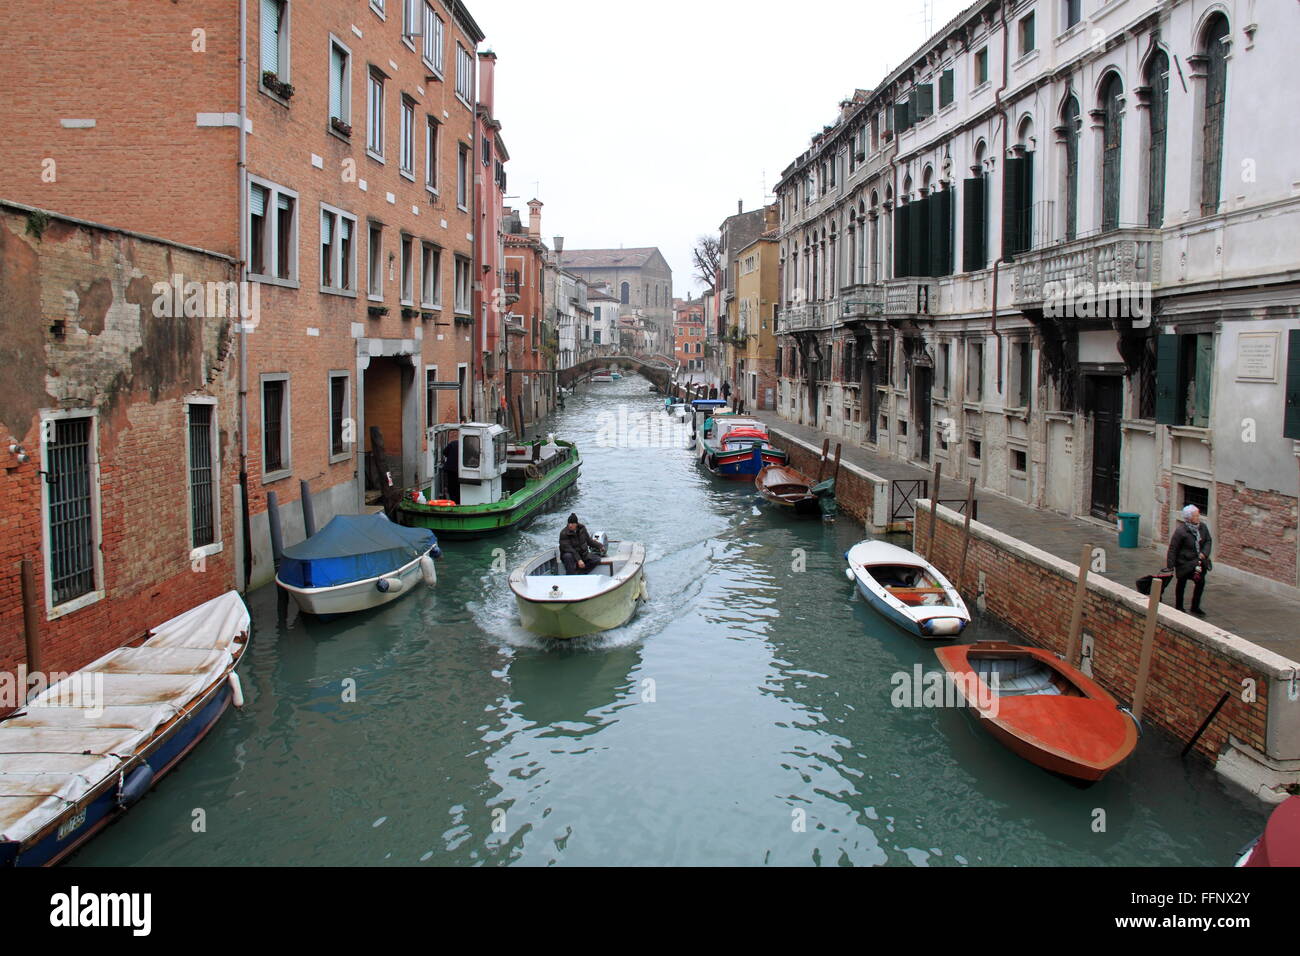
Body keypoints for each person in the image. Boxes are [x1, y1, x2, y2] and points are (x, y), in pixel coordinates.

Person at [1167, 504, 1212, 616]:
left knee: (1200, 583)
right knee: (1181, 583)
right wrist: (1170, 565)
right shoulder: (1181, 531)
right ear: (1189, 518)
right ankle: (1179, 606)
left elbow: (1208, 541)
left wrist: (1204, 553)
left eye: (1198, 515)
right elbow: (1173, 548)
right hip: (1184, 563)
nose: (1198, 517)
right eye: (1196, 516)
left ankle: (1195, 606)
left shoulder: (1203, 527)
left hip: (1199, 562)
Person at [441, 437, 460, 504]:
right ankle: (458, 502)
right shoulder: (466, 444)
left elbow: (444, 452)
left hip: (450, 469)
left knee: (451, 486)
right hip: (459, 470)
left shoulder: (453, 443)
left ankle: (452, 501)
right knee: (458, 486)